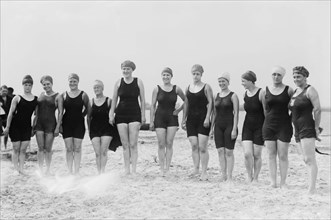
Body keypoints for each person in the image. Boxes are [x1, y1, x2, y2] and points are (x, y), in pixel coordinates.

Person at [109, 60, 146, 175]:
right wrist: (111, 114)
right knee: (125, 145)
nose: (125, 71)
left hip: (135, 114)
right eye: (124, 68)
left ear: (132, 70)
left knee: (133, 144)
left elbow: (143, 100)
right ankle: (127, 170)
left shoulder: (138, 81)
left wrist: (143, 115)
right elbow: (114, 99)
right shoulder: (118, 82)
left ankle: (134, 170)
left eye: (128, 69)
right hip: (121, 115)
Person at [289, 66, 321, 194]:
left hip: (307, 127)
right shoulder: (295, 92)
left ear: (305, 77)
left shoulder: (310, 90)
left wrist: (316, 128)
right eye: (294, 77)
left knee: (309, 158)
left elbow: (317, 110)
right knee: (304, 159)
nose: (296, 79)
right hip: (296, 129)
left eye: (299, 77)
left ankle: (312, 188)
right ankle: (310, 184)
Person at [262, 66, 294, 188]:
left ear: (283, 76)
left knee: (282, 155)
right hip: (269, 125)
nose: (276, 77)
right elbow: (265, 109)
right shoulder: (265, 90)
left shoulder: (289, 90)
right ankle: (273, 182)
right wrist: (268, 120)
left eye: (279, 75)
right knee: (271, 154)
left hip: (284, 126)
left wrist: (288, 121)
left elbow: (293, 108)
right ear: (271, 75)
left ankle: (283, 182)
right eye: (274, 74)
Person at [150, 67, 186, 176]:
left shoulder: (176, 89)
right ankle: (161, 168)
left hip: (172, 118)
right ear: (162, 76)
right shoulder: (157, 89)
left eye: (168, 75)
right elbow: (152, 105)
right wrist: (151, 121)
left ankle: (168, 168)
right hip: (159, 118)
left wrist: (179, 110)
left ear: (171, 76)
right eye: (164, 75)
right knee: (161, 144)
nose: (166, 77)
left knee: (169, 143)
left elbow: (187, 100)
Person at [181, 64, 213, 181]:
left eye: (198, 74)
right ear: (191, 74)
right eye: (194, 73)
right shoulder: (188, 87)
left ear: (201, 74)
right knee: (194, 145)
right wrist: (183, 118)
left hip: (203, 119)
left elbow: (211, 103)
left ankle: (204, 172)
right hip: (191, 119)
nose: (195, 76)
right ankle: (196, 169)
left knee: (202, 147)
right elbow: (186, 104)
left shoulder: (206, 87)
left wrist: (207, 118)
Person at [3, 75, 38, 175]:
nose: (27, 87)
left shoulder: (36, 99)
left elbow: (36, 115)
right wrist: (7, 127)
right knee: (16, 148)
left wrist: (34, 128)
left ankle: (21, 168)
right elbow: (10, 113)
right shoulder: (17, 98)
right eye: (26, 85)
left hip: (27, 126)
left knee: (23, 149)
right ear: (23, 85)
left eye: (29, 85)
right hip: (15, 126)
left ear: (32, 86)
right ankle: (16, 169)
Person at [211, 72, 239, 182]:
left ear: (228, 82)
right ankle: (223, 174)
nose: (221, 83)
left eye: (223, 81)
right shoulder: (216, 96)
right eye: (220, 81)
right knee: (220, 151)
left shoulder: (233, 95)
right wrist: (211, 129)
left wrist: (234, 129)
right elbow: (214, 113)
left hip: (230, 125)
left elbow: (236, 113)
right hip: (218, 126)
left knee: (229, 152)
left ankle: (230, 176)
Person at [33, 76, 63, 175]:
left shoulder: (58, 96)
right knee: (40, 148)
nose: (46, 86)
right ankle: (41, 169)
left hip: (51, 124)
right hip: (39, 124)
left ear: (51, 83)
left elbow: (60, 113)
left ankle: (48, 169)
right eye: (44, 85)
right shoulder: (41, 95)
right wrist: (33, 124)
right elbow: (36, 111)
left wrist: (58, 127)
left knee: (48, 148)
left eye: (48, 84)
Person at [61, 73, 89, 175]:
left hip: (79, 124)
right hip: (66, 123)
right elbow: (60, 111)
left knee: (77, 148)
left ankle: (76, 171)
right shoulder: (63, 95)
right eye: (71, 81)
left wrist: (82, 115)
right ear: (68, 82)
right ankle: (69, 171)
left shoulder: (83, 94)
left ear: (78, 82)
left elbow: (88, 109)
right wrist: (59, 125)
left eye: (74, 81)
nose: (72, 83)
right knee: (68, 149)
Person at [87, 80, 118, 174]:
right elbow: (88, 117)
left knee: (103, 151)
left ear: (102, 88)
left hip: (107, 129)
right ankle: (98, 171)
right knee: (97, 153)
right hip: (94, 130)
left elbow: (114, 114)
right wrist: (89, 130)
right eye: (95, 88)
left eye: (98, 87)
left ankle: (102, 172)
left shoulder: (109, 101)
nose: (96, 89)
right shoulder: (90, 102)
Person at [241, 71, 264, 182]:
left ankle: (256, 177)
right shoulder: (245, 94)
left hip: (260, 126)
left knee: (257, 154)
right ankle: (249, 176)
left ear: (250, 81)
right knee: (247, 154)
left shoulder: (261, 92)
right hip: (247, 126)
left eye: (243, 81)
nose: (242, 83)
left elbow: (266, 111)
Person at [0, 85, 13, 150]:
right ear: (0, 91)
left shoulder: (10, 99)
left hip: (7, 118)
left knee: (6, 133)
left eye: (6, 91)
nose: (4, 92)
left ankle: (5, 146)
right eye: (3, 91)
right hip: (0, 118)